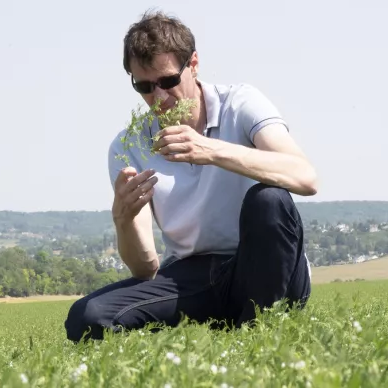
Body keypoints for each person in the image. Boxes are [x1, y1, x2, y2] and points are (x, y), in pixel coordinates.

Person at [64, 9, 318, 343]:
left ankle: (257, 336)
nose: (159, 97)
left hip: (264, 265)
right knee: (88, 317)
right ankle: (211, 326)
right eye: (143, 86)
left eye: (168, 81)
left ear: (193, 64)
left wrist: (211, 150)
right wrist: (122, 220)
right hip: (192, 275)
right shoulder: (129, 146)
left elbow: (305, 177)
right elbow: (144, 269)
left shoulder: (239, 103)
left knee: (269, 199)